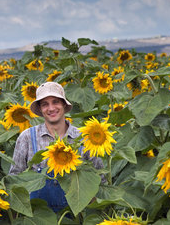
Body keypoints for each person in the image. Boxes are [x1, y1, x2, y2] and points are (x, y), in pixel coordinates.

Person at [9, 81, 103, 212]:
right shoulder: (27, 137)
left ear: (64, 104)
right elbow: (15, 180)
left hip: (76, 216)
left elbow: (99, 179)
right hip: (38, 215)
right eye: (45, 104)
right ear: (40, 109)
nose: (51, 108)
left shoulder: (84, 137)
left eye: (55, 102)